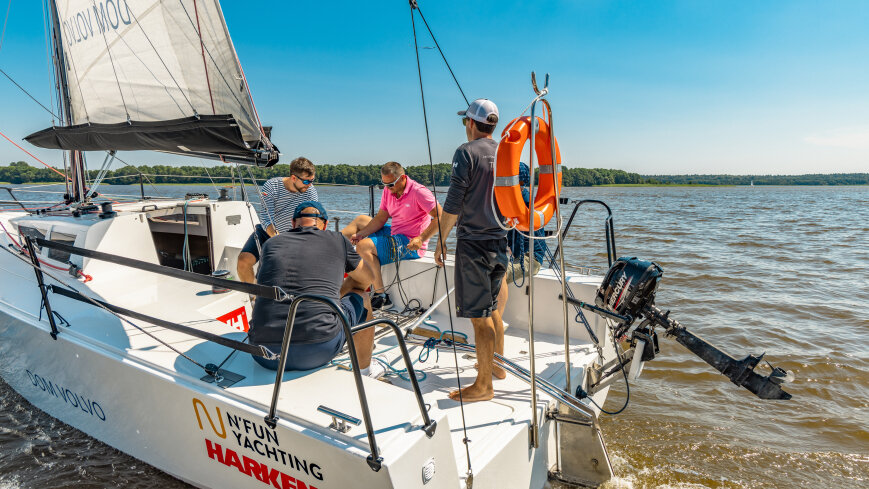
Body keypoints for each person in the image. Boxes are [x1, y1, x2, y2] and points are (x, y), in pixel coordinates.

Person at [249, 201, 380, 377]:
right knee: (361, 294)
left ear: (293, 222)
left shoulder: (271, 244)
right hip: (318, 350)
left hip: (262, 353)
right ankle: (365, 371)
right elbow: (368, 279)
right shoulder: (338, 240)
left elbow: (262, 285)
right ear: (325, 225)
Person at [435, 98, 508, 402]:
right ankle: (498, 367)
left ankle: (483, 386)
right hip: (500, 244)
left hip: (473, 245)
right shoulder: (506, 153)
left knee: (478, 318)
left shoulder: (465, 153)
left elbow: (452, 204)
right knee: (491, 309)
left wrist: (440, 240)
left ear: (470, 123)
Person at [340, 162, 442, 310]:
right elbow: (381, 218)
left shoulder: (419, 192)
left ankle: (382, 297)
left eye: (391, 184)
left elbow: (441, 217)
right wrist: (361, 234)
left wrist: (421, 238)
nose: (388, 188)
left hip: (410, 242)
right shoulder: (389, 190)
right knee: (361, 220)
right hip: (395, 232)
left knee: (364, 246)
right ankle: (327, 254)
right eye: (384, 185)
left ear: (403, 178)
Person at [237, 157, 318, 285]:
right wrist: (278, 239)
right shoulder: (272, 186)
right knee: (243, 261)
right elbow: (265, 217)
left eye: (312, 180)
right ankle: (254, 297)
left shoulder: (310, 192)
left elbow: (313, 217)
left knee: (272, 270)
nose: (309, 185)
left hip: (293, 235)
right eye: (306, 181)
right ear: (293, 178)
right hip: (266, 231)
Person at [506, 162, 549, 281]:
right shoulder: (513, 200)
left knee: (498, 275)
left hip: (530, 260)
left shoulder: (525, 201)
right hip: (517, 257)